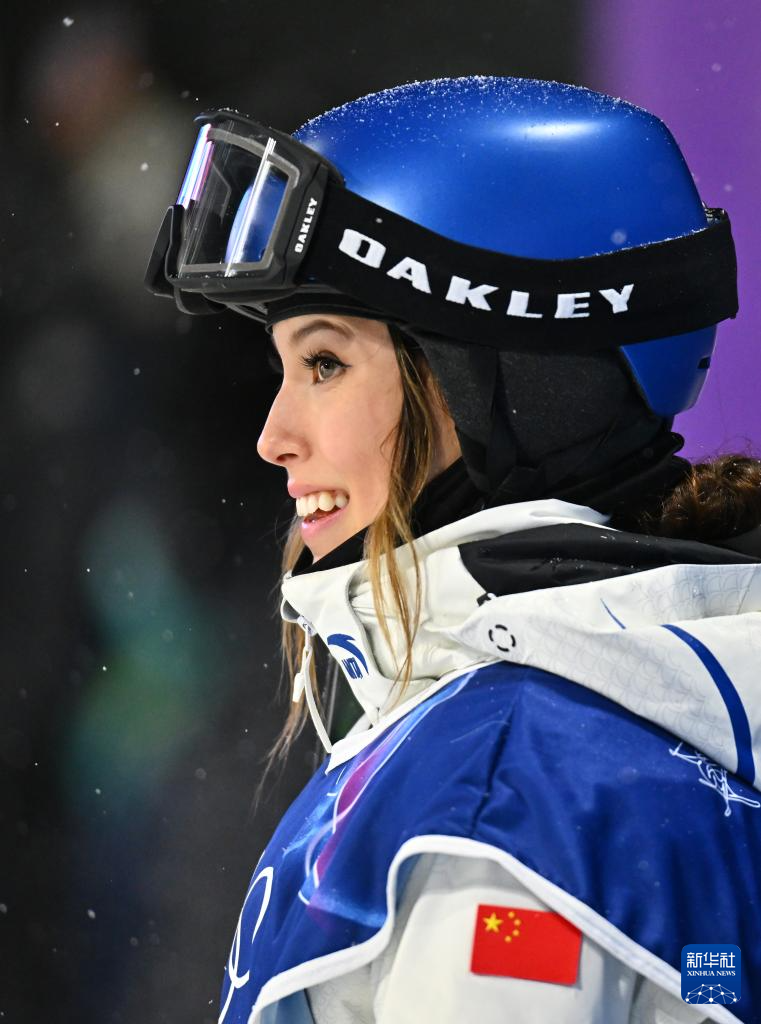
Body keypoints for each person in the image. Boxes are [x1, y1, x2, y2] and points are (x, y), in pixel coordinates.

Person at [146, 77, 761, 1024]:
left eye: (325, 363)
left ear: (509, 385)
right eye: (286, 368)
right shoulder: (634, 729)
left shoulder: (499, 797)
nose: (273, 437)